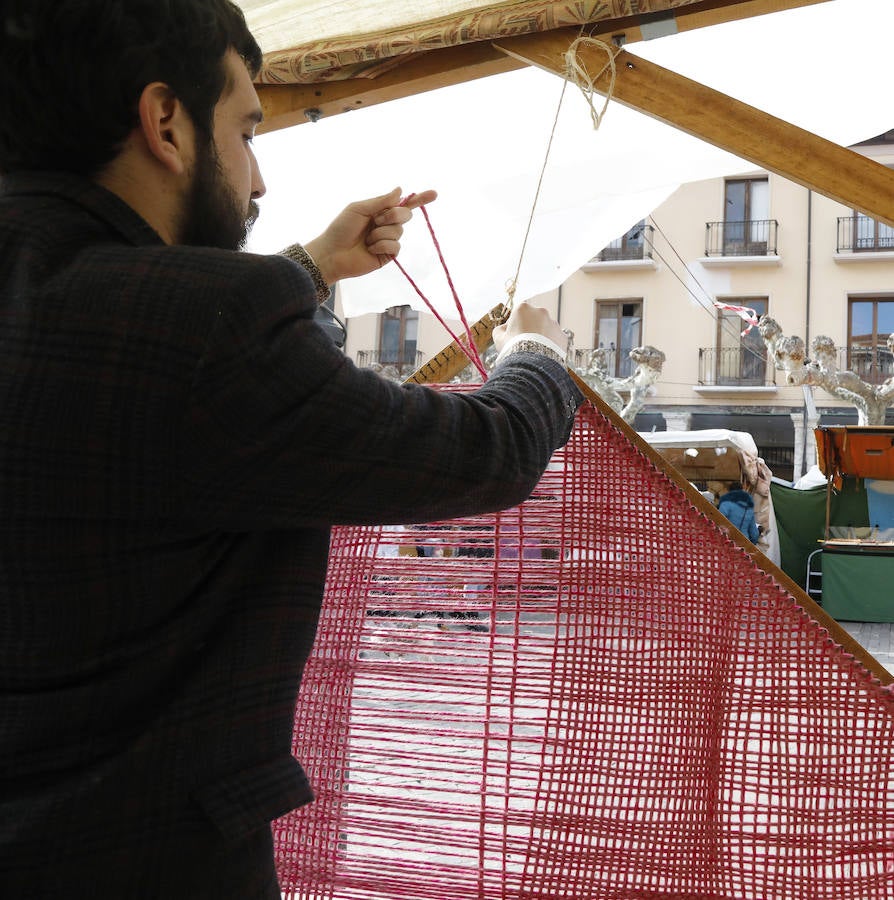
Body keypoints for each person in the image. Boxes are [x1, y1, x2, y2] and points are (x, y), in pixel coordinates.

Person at [0, 1, 583, 897]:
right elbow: (486, 451)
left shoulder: (125, 316)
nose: (259, 178)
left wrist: (311, 268)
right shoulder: (206, 329)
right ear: (165, 123)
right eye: (244, 129)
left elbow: (151, 375)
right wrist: (537, 353)